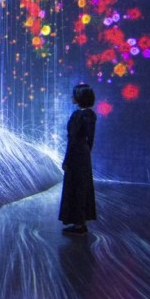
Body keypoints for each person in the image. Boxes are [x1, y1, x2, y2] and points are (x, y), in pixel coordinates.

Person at [59, 82, 97, 236]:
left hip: (75, 155)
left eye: (74, 94)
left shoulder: (78, 115)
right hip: (84, 155)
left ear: (80, 97)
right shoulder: (90, 115)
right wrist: (86, 152)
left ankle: (78, 224)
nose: (71, 97)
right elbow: (90, 139)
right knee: (83, 187)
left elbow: (73, 140)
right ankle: (81, 222)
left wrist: (67, 160)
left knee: (75, 188)